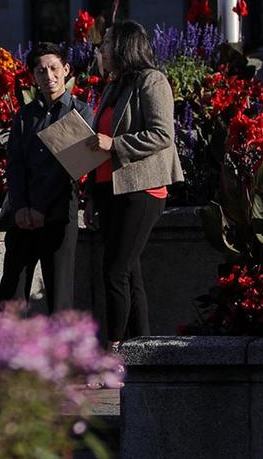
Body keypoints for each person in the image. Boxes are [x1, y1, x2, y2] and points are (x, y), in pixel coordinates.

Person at [86, 20, 184, 345]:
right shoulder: (115, 86)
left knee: (114, 271)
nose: (102, 50)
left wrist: (114, 144)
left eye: (108, 43)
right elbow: (98, 142)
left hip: (141, 189)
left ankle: (114, 354)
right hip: (109, 190)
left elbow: (162, 134)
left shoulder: (152, 81)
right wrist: (90, 195)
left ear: (125, 46)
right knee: (129, 273)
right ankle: (140, 351)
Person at [0, 42, 94, 312]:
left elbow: (68, 169)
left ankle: (60, 353)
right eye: (41, 71)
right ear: (33, 77)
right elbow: (14, 164)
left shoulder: (80, 112)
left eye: (53, 68)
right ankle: (7, 349)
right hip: (23, 216)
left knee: (60, 293)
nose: (48, 76)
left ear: (66, 69)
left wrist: (41, 208)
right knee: (11, 291)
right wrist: (21, 208)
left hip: (59, 212)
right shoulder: (25, 116)